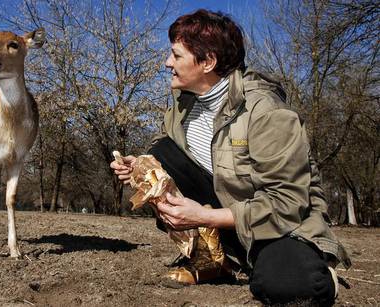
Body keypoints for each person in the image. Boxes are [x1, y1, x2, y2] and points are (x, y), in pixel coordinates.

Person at [110, 9, 351, 306]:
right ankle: (214, 259)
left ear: (207, 62)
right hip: (232, 219)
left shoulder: (266, 112)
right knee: (158, 155)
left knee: (289, 287)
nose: (167, 63)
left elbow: (287, 203)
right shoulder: (183, 105)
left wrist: (203, 216)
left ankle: (318, 269)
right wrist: (140, 165)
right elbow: (168, 152)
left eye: (176, 55)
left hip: (283, 226)